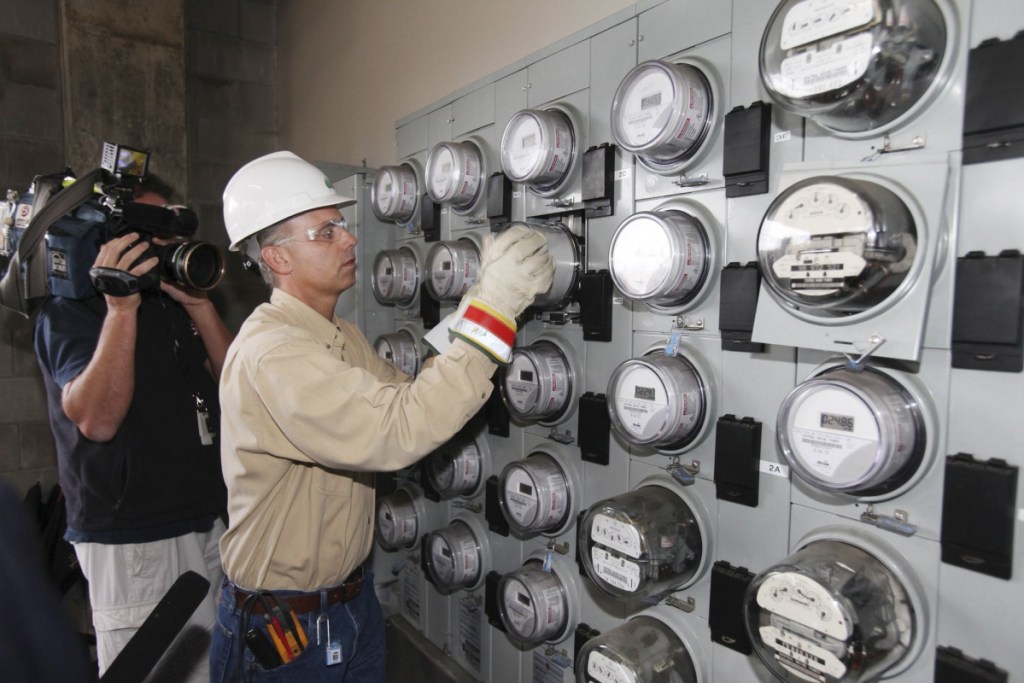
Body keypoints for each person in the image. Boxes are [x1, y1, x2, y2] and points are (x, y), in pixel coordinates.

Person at [210, 151, 554, 682]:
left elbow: (410, 399)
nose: (350, 239)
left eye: (342, 226)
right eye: (326, 232)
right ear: (277, 258)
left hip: (349, 602)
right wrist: (494, 309)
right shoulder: (273, 353)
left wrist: (476, 307)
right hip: (288, 626)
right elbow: (396, 431)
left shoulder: (336, 336)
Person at [33, 174, 235, 681]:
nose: (166, 248)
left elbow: (238, 388)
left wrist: (201, 305)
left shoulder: (169, 304)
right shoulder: (70, 311)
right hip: (134, 540)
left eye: (170, 233)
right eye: (152, 234)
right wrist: (120, 307)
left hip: (203, 520)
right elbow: (96, 420)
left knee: (213, 670)